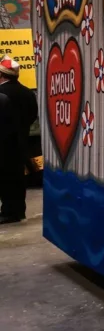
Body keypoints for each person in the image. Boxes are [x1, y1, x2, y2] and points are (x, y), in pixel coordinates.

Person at [0, 56, 36, 224]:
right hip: (21, 141)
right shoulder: (27, 93)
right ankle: (19, 211)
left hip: (3, 143)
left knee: (5, 178)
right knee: (18, 177)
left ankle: (8, 212)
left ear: (2, 75)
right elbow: (32, 115)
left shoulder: (2, 93)